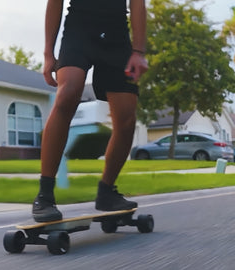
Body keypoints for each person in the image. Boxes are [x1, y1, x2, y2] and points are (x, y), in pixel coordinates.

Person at [33, 0, 148, 222]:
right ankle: (44, 195)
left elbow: (137, 2)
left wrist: (139, 51)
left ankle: (106, 192)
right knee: (67, 94)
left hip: (116, 35)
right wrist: (49, 53)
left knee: (126, 118)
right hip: (79, 30)